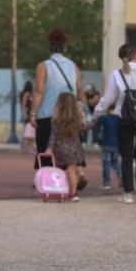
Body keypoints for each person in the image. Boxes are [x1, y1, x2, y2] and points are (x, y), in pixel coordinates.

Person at [92, 44, 136, 204]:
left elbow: (108, 99)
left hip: (124, 119)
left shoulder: (117, 74)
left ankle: (128, 194)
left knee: (127, 156)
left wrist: (96, 114)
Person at [28, 28, 88, 188]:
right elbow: (80, 90)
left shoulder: (43, 66)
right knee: (71, 145)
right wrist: (84, 112)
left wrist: (33, 113)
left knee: (46, 145)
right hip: (70, 114)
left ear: (49, 47)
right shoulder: (73, 66)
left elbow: (39, 91)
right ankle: (78, 173)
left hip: (48, 114)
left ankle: (47, 179)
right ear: (64, 47)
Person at [45, 92, 86, 202]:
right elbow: (85, 128)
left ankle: (60, 192)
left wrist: (49, 149)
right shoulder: (76, 120)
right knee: (72, 171)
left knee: (59, 172)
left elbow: (52, 137)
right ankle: (73, 194)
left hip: (60, 150)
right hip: (74, 149)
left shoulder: (56, 121)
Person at [96, 104, 122, 190]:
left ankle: (106, 183)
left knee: (106, 163)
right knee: (115, 162)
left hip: (106, 144)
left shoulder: (104, 118)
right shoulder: (118, 119)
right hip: (116, 144)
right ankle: (121, 176)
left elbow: (97, 124)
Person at [19, 81, 36, 153]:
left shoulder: (28, 94)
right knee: (28, 131)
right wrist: (25, 114)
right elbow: (23, 105)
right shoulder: (27, 94)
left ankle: (26, 147)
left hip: (28, 114)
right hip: (27, 114)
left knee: (28, 131)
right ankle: (25, 147)